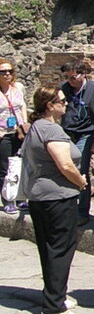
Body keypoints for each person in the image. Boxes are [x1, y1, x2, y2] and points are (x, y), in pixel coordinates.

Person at [21, 86, 88, 314]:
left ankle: (55, 295)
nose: (66, 103)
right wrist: (81, 182)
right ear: (50, 106)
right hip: (57, 197)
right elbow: (66, 165)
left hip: (40, 196)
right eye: (61, 101)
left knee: (48, 248)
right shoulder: (50, 130)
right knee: (61, 248)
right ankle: (53, 307)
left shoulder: (37, 127)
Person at [59, 60, 94, 226]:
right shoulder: (64, 88)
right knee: (65, 167)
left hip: (86, 132)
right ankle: (68, 208)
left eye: (73, 77)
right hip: (68, 131)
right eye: (67, 77)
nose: (71, 81)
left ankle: (82, 211)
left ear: (83, 74)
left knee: (81, 169)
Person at [0, 58, 28, 214]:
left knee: (21, 164)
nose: (7, 74)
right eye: (3, 72)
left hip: (18, 132)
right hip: (4, 134)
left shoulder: (18, 87)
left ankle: (21, 197)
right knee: (5, 168)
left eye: (10, 71)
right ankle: (7, 199)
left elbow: (22, 104)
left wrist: (24, 123)